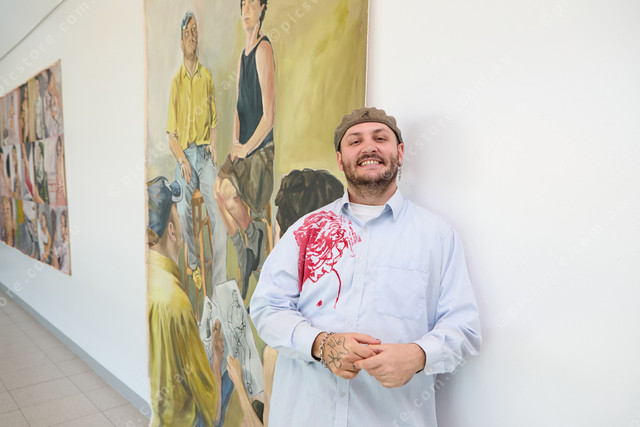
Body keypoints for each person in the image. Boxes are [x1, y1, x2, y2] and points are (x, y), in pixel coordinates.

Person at [250, 107, 482, 426]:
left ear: (400, 152)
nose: (369, 147)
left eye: (380, 138)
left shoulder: (437, 236)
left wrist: (419, 355)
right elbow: (267, 308)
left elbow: (465, 328)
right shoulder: (306, 231)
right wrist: (320, 344)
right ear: (340, 159)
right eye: (355, 141)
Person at [147, 176, 224, 427]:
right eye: (178, 217)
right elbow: (212, 410)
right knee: (229, 379)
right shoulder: (176, 301)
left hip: (156, 417)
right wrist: (216, 358)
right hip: (181, 421)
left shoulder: (143, 279)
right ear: (171, 231)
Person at [214, 0, 275, 298]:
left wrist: (247, 149)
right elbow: (239, 108)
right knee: (217, 189)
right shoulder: (242, 56)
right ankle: (245, 248)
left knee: (227, 192)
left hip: (261, 153)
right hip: (245, 150)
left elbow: (269, 117)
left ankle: (254, 236)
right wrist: (235, 144)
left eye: (252, 3)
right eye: (243, 4)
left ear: (263, 8)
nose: (246, 10)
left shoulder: (264, 50)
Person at [167, 11, 227, 292]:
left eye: (194, 32)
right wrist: (181, 160)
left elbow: (214, 122)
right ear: (181, 43)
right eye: (187, 33)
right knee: (181, 208)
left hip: (204, 156)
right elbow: (171, 136)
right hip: (185, 157)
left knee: (219, 209)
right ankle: (193, 262)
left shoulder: (207, 77)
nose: (191, 37)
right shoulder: (176, 83)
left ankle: (220, 282)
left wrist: (213, 144)